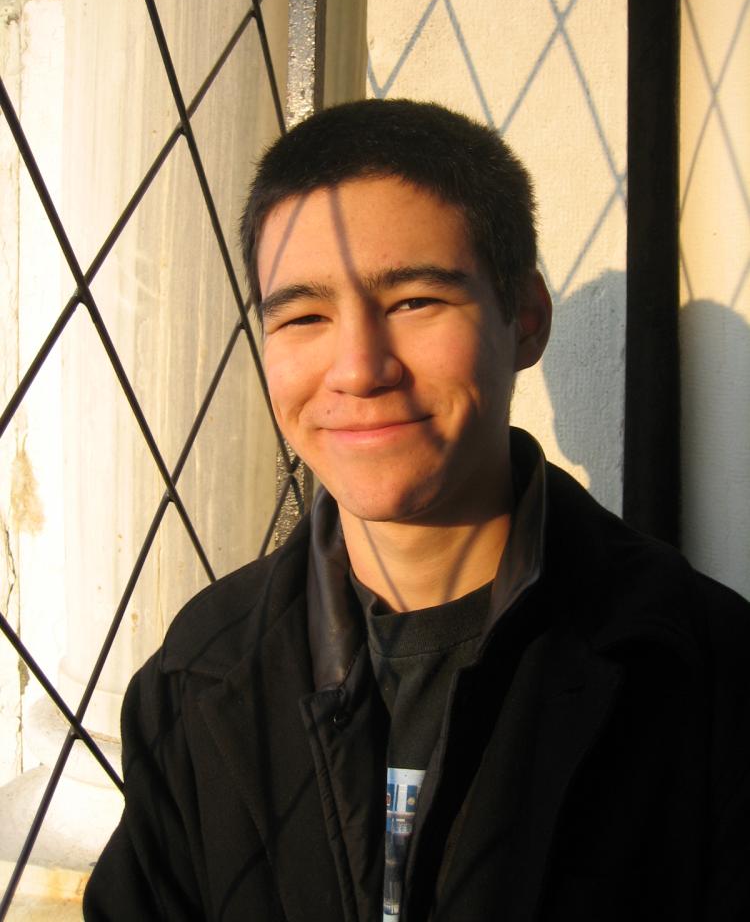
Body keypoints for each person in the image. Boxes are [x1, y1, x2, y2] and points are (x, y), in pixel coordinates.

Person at [84, 99, 750, 921]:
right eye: (304, 316)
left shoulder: (705, 674)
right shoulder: (199, 678)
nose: (360, 369)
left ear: (525, 320)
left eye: (415, 302)